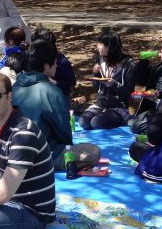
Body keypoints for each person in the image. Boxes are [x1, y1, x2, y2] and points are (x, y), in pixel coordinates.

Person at [0, 73, 55, 229]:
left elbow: (4, 193)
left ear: (9, 97)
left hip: (29, 215)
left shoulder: (23, 133)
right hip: (8, 204)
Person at [12, 40, 100, 169]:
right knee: (94, 151)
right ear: (46, 66)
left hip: (13, 151)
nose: (57, 66)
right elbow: (64, 132)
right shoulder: (52, 92)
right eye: (55, 63)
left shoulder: (15, 86)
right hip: (44, 154)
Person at [80, 31, 136, 130]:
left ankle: (123, 118)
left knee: (96, 123)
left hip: (118, 106)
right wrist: (96, 74)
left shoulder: (128, 64)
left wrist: (113, 84)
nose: (97, 46)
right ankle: (105, 115)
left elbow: (129, 91)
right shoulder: (100, 59)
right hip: (101, 103)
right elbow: (97, 87)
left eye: (100, 44)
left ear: (109, 47)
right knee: (83, 122)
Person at [31, 28, 76, 100]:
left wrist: (56, 83)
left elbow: (72, 82)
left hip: (61, 98)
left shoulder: (62, 62)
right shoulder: (37, 58)